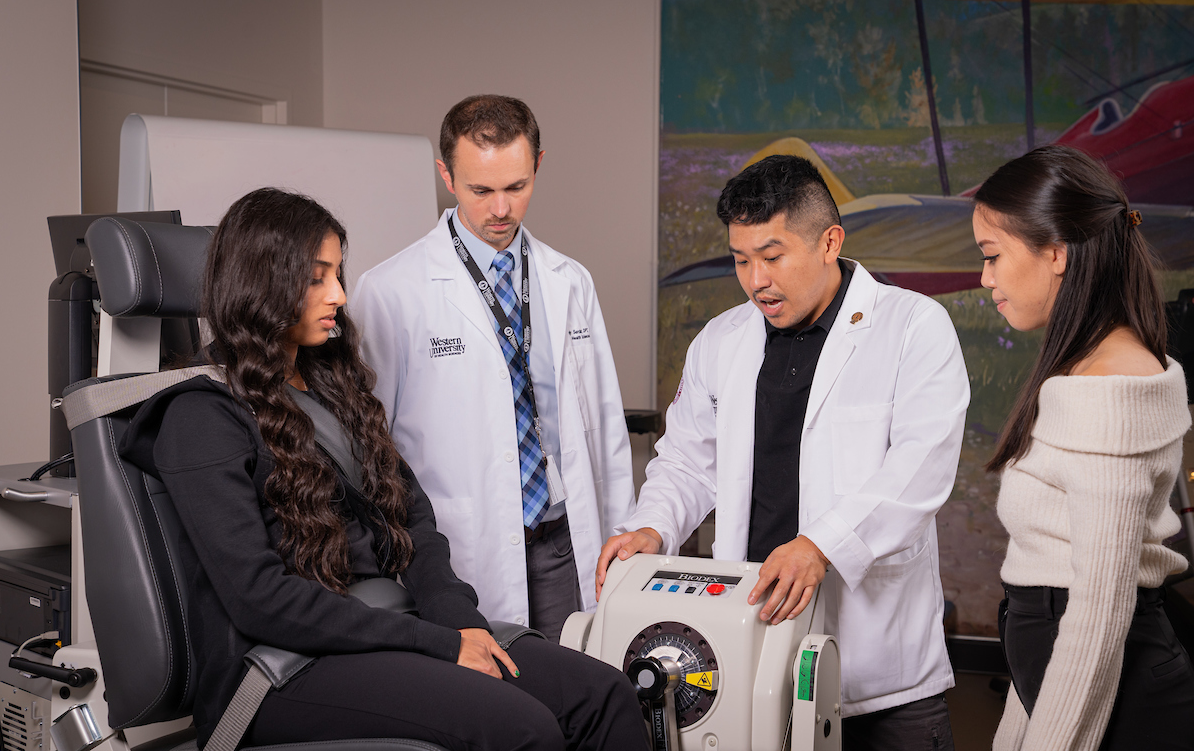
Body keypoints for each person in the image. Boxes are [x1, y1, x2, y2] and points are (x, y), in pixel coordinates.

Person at [119, 188, 648, 751]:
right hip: (276, 669)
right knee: (522, 727)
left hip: (379, 628)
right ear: (263, 283)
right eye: (316, 278)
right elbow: (259, 600)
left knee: (603, 694)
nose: (340, 296)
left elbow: (413, 518)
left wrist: (457, 620)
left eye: (337, 275)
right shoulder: (201, 417)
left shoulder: (330, 387)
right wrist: (438, 644)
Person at [598, 154, 969, 750]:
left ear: (830, 241)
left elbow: (921, 467)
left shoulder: (912, 327)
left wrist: (821, 544)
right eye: (741, 260)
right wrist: (652, 527)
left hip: (879, 664)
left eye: (773, 257)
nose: (755, 280)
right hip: (754, 643)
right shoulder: (722, 340)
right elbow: (689, 461)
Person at [352, 95, 635, 641]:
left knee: (575, 688)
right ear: (446, 175)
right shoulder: (390, 292)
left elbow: (604, 424)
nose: (500, 210)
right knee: (489, 711)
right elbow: (369, 444)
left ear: (538, 166)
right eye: (481, 190)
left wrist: (621, 539)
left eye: (517, 187)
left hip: (561, 540)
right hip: (462, 547)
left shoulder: (569, 280)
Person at [971, 146, 1194, 751]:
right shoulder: (1083, 369)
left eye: (993, 256)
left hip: (1127, 709)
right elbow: (1044, 583)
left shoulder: (1109, 389)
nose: (985, 278)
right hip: (1069, 681)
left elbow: (1096, 617)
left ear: (1057, 252)